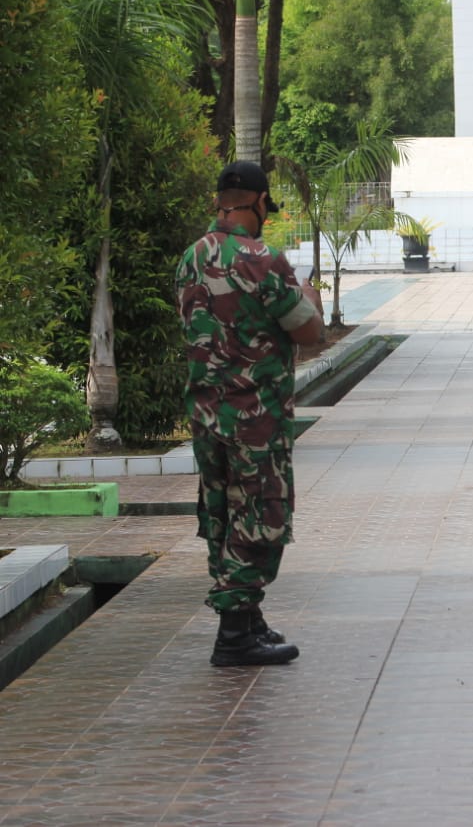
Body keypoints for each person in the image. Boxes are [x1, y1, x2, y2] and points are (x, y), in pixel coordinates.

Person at [176, 160, 324, 667]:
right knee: (261, 514)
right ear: (260, 203)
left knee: (222, 513)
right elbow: (309, 333)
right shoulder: (264, 259)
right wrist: (308, 296)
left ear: (221, 200)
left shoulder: (191, 257)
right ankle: (234, 635)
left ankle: (249, 618)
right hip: (255, 416)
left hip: (206, 414)